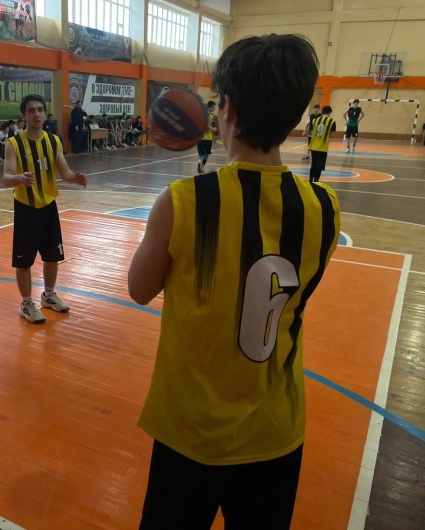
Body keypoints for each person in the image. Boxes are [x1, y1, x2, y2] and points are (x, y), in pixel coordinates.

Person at [128, 34, 341, 530]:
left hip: (193, 431)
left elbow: (139, 290)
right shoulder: (324, 207)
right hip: (277, 430)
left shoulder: (183, 201)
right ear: (296, 115)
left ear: (226, 107)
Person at [3, 94, 87, 324]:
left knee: (52, 256)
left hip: (49, 207)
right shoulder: (14, 144)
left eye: (40, 109)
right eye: (31, 110)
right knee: (24, 261)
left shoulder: (53, 141)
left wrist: (75, 178)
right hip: (26, 208)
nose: (37, 114)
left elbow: (65, 172)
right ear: (24, 116)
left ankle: (48, 295)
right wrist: (19, 178)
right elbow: (6, 178)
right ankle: (26, 303)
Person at [309, 105, 336, 183]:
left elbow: (312, 131)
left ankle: (310, 181)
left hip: (313, 146)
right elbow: (332, 135)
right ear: (330, 112)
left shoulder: (314, 120)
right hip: (323, 147)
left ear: (322, 112)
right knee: (319, 166)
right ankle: (316, 182)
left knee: (313, 164)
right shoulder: (332, 121)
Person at [197, 100, 218, 173]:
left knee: (201, 154)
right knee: (207, 154)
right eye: (213, 107)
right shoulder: (210, 115)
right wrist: (214, 129)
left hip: (199, 137)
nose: (214, 108)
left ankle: (199, 163)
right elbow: (207, 126)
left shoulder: (201, 114)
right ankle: (202, 167)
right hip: (207, 138)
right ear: (209, 106)